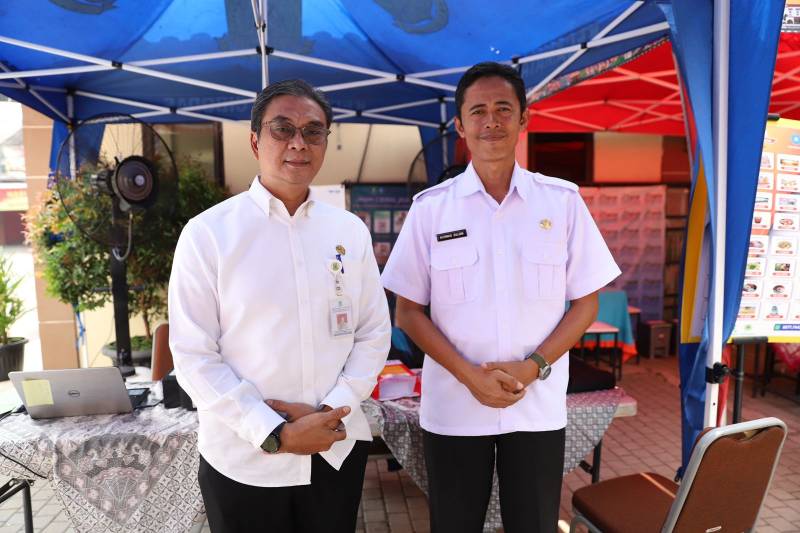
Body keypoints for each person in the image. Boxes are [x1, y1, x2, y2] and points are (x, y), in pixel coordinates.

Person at [381, 62, 621, 532]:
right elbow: (408, 312)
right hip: (454, 408)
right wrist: (468, 375)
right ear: (461, 125)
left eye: (503, 109)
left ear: (523, 118)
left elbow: (586, 303)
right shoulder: (432, 209)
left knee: (533, 525)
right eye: (478, 111)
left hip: (536, 406)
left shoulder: (561, 202)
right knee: (454, 525)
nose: (491, 121)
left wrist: (534, 366)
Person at [168, 79, 391, 533]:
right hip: (244, 460)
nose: (298, 143)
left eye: (313, 131)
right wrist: (274, 431)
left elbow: (372, 332)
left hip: (334, 450)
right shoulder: (209, 234)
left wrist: (333, 409)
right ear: (255, 141)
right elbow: (193, 355)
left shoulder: (348, 231)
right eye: (282, 128)